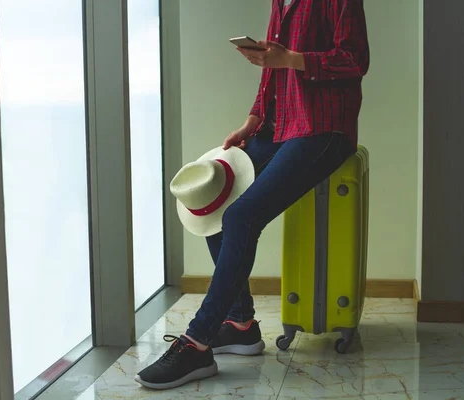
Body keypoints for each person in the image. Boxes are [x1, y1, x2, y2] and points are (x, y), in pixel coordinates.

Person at [135, 0, 370, 390]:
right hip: (279, 126)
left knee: (242, 216)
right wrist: (253, 120)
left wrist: (291, 58)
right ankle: (241, 325)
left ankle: (197, 342)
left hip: (325, 129)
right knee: (213, 194)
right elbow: (272, 73)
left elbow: (354, 60)